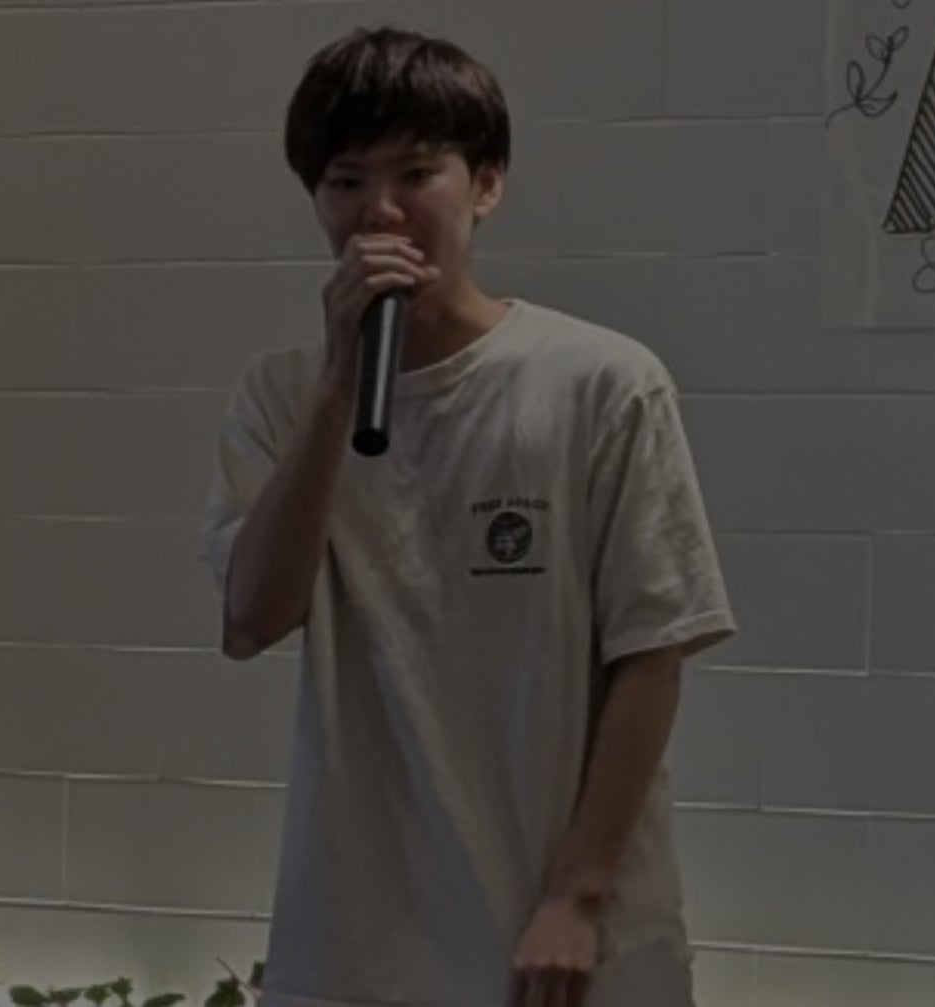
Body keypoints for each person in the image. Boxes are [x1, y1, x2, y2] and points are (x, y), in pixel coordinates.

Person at [198, 24, 737, 1007]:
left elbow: (653, 653)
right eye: (347, 181)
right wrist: (337, 383)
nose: (381, 210)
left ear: (484, 184)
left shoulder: (601, 382)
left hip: (573, 943)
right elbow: (251, 617)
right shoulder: (281, 397)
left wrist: (576, 895)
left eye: (417, 173)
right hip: (358, 944)